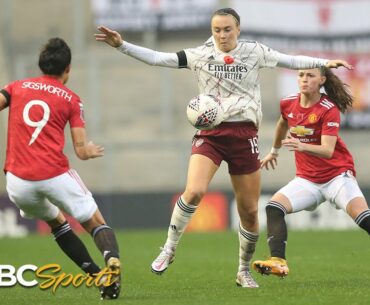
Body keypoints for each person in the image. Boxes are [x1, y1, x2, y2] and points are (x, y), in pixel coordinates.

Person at [94, 8, 352, 288]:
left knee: (250, 211)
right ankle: (169, 248)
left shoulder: (254, 52)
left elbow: (290, 60)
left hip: (244, 135)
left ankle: (243, 270)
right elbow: (159, 58)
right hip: (211, 133)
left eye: (227, 29)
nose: (222, 35)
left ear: (238, 29)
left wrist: (325, 62)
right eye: (217, 30)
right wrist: (121, 45)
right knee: (194, 191)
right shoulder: (200, 54)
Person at [0, 38, 121, 299]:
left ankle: (97, 276)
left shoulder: (16, 87)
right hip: (54, 174)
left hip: (18, 182)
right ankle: (111, 262)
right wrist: (89, 150)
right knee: (95, 222)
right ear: (68, 69)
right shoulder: (72, 100)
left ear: (42, 65)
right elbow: (80, 150)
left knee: (57, 223)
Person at [252, 67, 370, 278]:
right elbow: (282, 123)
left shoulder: (328, 109)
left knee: (364, 218)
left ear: (322, 80)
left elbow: (327, 150)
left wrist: (302, 146)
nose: (304, 79)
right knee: (274, 207)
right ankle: (278, 262)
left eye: (310, 76)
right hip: (307, 180)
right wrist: (274, 151)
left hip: (337, 176)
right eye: (301, 75)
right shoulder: (288, 102)